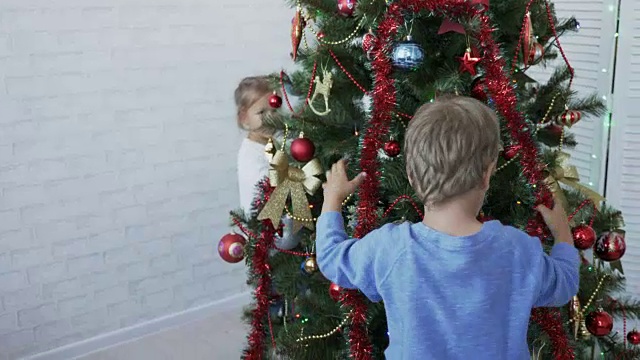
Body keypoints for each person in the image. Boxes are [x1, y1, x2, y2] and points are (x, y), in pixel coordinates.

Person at [316, 96, 579, 359]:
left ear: (411, 175)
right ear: (487, 175)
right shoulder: (516, 249)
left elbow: (331, 258)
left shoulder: (391, 248)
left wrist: (332, 200)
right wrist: (562, 233)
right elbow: (565, 283)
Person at [234, 76, 298, 249]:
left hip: (287, 233)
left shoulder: (275, 143)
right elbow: (267, 188)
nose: (270, 118)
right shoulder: (250, 154)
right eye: (261, 113)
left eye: (274, 110)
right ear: (244, 118)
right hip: (268, 241)